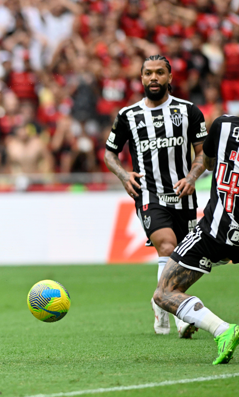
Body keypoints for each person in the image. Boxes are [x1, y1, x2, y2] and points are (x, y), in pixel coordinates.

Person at [104, 55, 208, 337]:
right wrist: (124, 175)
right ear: (140, 78)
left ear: (169, 77)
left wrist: (192, 176)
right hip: (150, 194)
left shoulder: (189, 112)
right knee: (166, 246)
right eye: (148, 73)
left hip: (183, 195)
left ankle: (160, 300)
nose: (153, 78)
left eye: (159, 73)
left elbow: (203, 154)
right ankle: (181, 316)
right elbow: (109, 153)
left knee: (183, 257)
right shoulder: (128, 115)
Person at [153, 114, 239, 365]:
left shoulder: (224, 125)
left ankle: (222, 329)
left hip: (216, 231)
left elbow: (209, 163)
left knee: (164, 292)